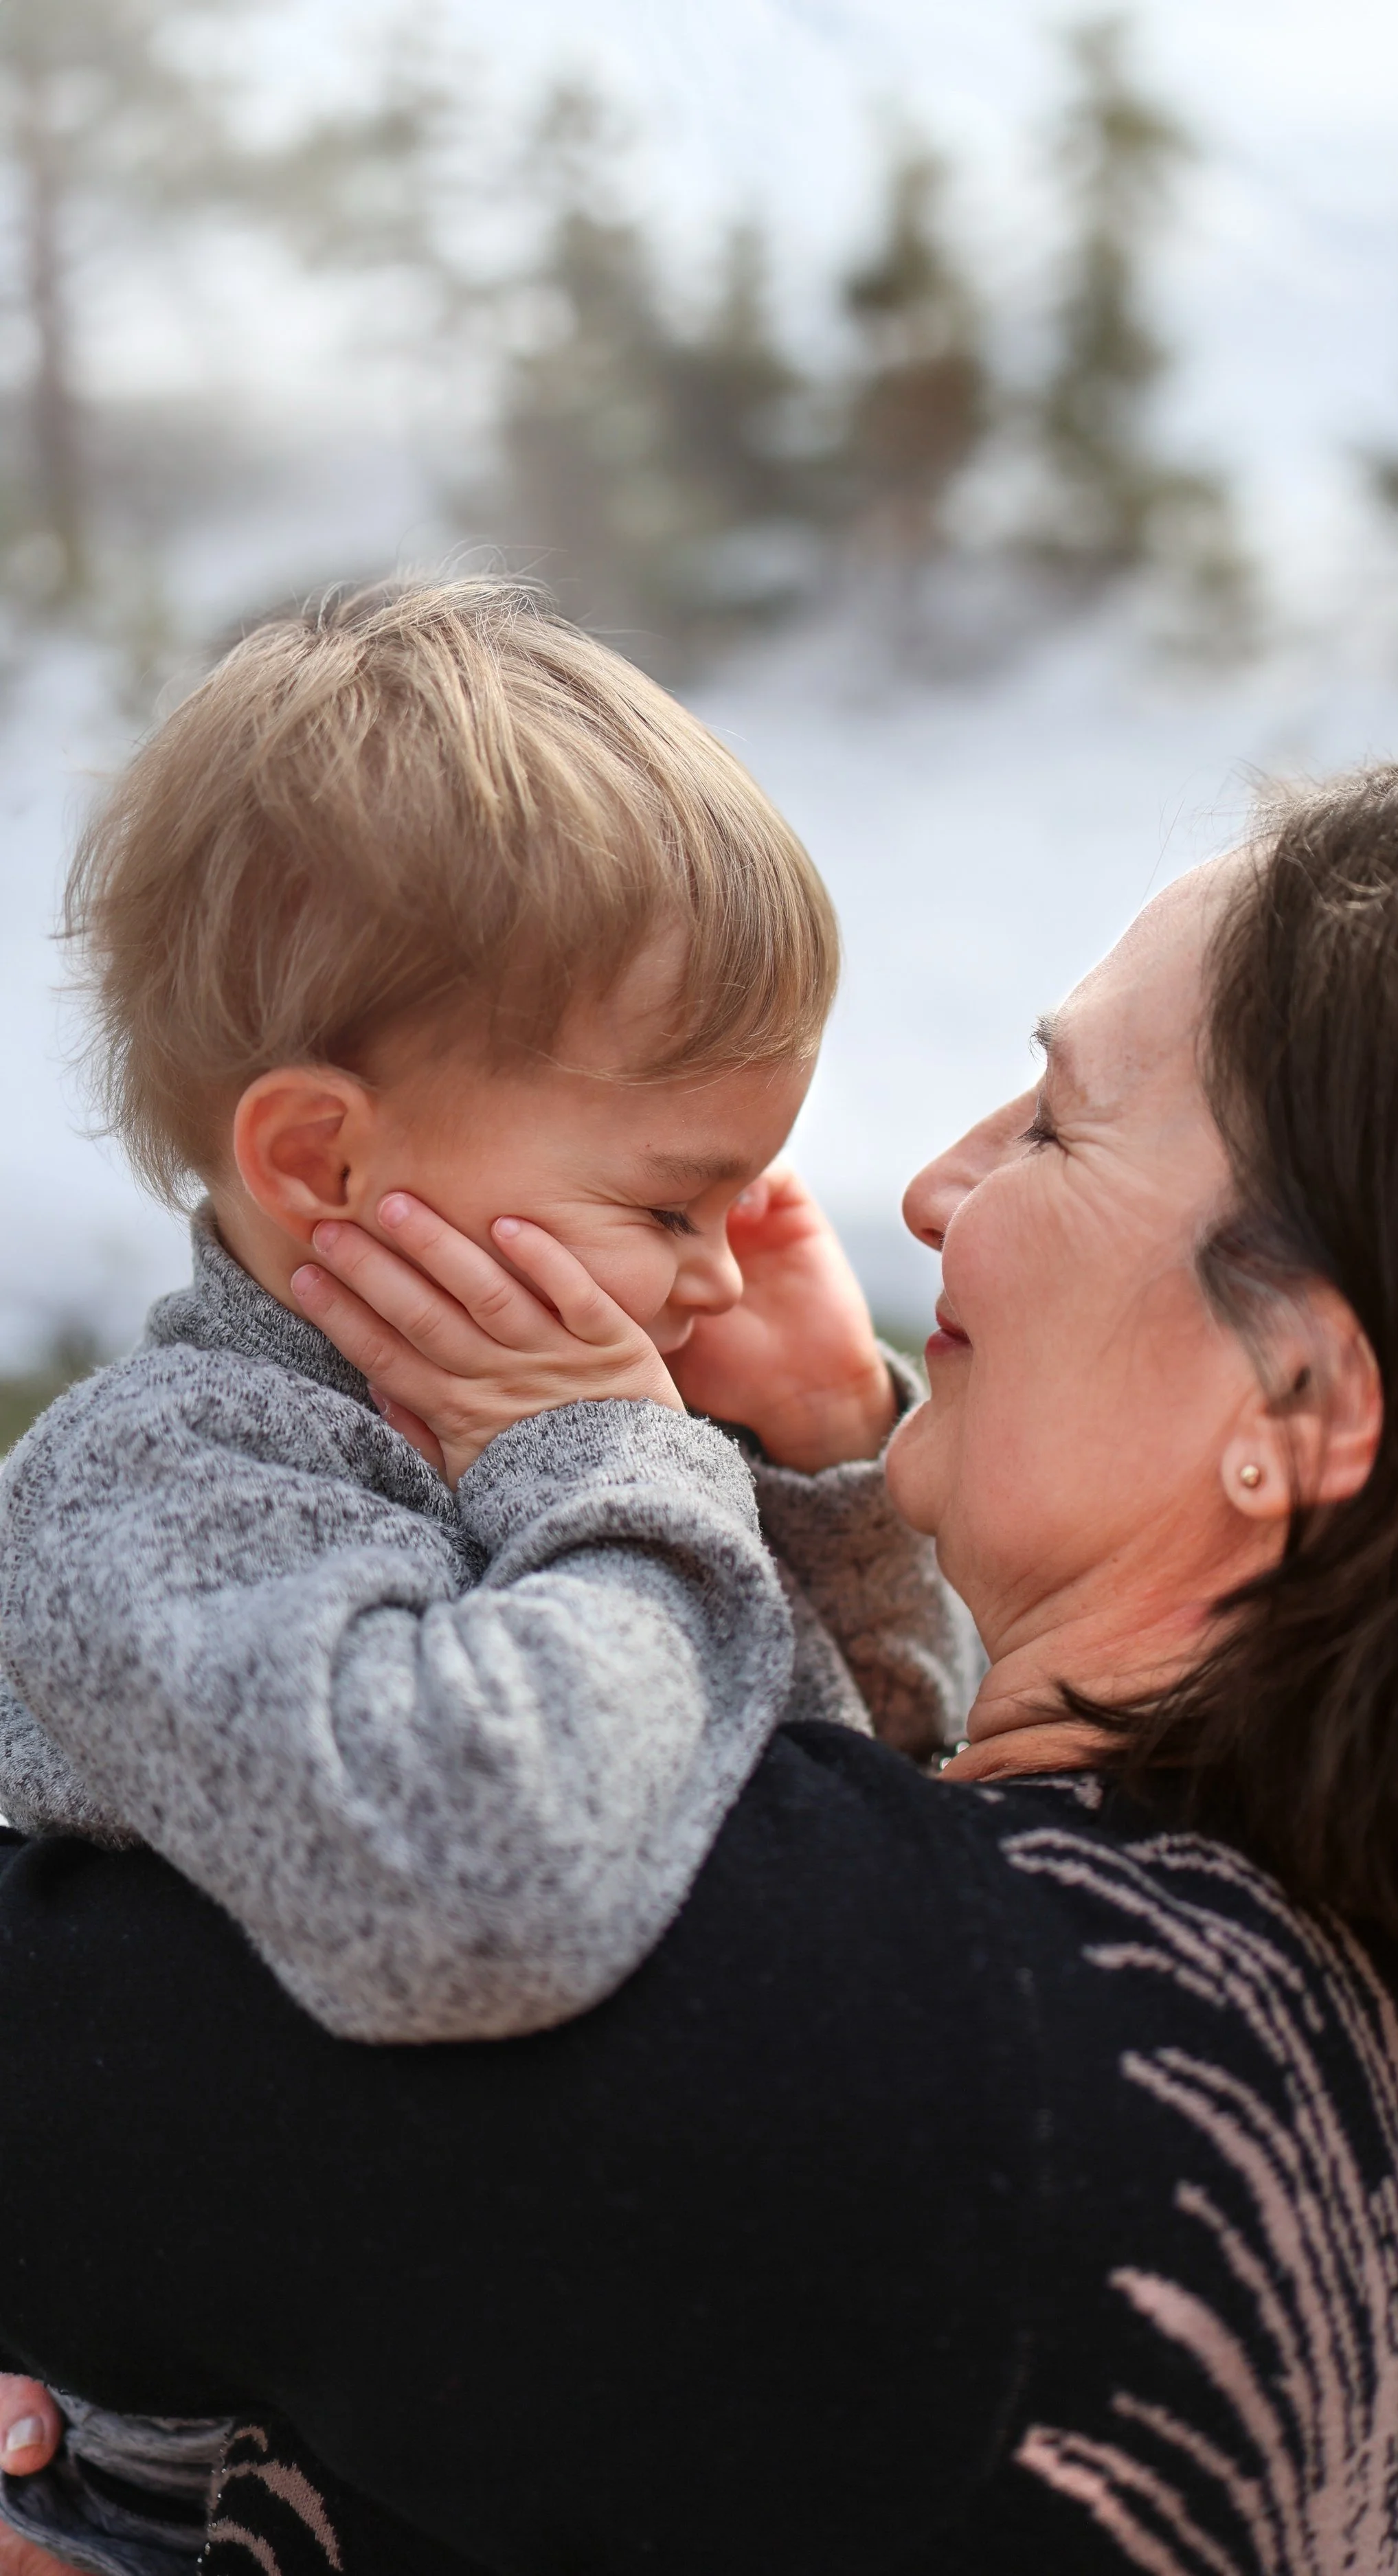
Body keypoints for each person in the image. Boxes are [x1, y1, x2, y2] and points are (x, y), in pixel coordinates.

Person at [1, 756, 1398, 2573]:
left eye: (1053, 1123)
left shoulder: (838, 2046)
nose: (929, 1186)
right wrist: (829, 1487)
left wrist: (610, 1465)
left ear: (1296, 1393)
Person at [0, 579, 972, 2573]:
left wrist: (811, 1473)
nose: (712, 1268)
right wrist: (615, 1464)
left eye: (743, 1192)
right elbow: (470, 1888)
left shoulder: (593, 1442)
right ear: (326, 1164)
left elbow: (866, 1807)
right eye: (661, 1197)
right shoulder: (159, 1489)